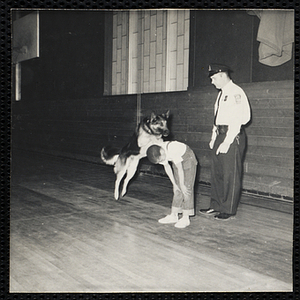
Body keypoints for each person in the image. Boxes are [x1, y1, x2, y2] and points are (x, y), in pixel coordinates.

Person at [200, 63, 251, 221]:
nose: (212, 82)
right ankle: (215, 205)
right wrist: (214, 138)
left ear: (222, 75)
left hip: (232, 135)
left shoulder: (236, 92)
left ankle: (228, 209)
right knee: (217, 173)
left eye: (214, 78)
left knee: (230, 173)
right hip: (220, 135)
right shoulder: (222, 93)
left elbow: (237, 120)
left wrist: (228, 141)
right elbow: (217, 119)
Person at [147, 141, 198, 228]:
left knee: (186, 188)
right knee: (178, 189)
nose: (162, 161)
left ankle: (186, 217)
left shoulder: (173, 149)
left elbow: (180, 169)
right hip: (177, 162)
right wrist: (174, 184)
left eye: (161, 159)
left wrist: (182, 184)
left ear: (162, 151)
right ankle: (174, 215)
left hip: (188, 158)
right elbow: (167, 167)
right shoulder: (159, 153)